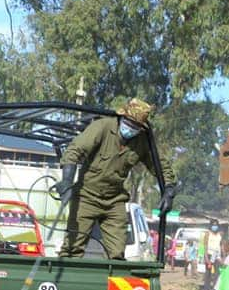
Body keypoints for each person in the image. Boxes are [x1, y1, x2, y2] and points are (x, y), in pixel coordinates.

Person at [56, 98, 175, 260]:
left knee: (117, 254)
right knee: (72, 248)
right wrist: (67, 181)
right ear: (121, 117)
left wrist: (169, 190)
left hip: (114, 201)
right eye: (129, 123)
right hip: (86, 197)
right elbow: (74, 150)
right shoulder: (102, 127)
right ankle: (69, 282)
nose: (131, 128)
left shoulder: (142, 141)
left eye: (136, 126)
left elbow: (160, 166)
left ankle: (111, 283)